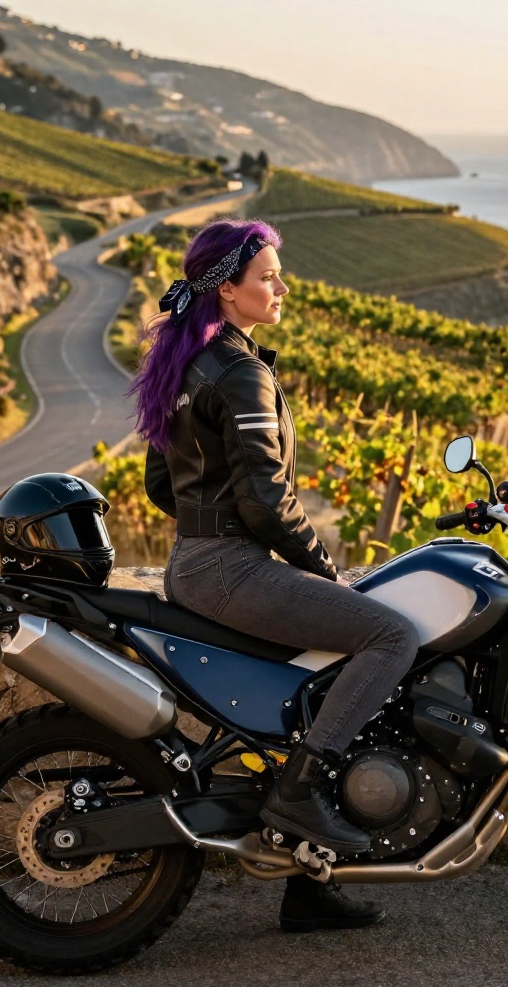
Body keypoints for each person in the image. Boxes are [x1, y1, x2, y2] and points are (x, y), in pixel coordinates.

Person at [131, 218, 420, 931]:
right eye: (266, 277)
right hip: (230, 566)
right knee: (390, 635)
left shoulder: (185, 363)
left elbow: (160, 487)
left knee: (309, 685)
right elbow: (266, 502)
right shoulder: (239, 371)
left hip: (193, 561)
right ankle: (301, 789)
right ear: (227, 290)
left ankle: (308, 886)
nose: (280, 287)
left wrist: (212, 521)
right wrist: (328, 573)